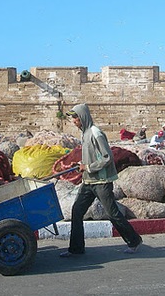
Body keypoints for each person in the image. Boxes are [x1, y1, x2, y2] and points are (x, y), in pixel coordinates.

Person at [60, 103, 143, 257]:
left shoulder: (95, 133)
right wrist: (80, 165)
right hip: (89, 182)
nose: (74, 122)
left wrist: (88, 167)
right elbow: (91, 156)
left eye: (76, 118)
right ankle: (76, 248)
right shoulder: (84, 134)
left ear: (83, 117)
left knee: (112, 213)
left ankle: (134, 240)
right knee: (77, 211)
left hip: (102, 182)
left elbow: (107, 158)